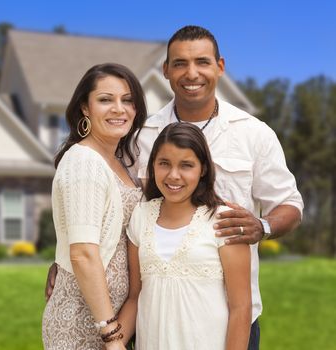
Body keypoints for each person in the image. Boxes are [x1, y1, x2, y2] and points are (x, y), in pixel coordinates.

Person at [46, 25, 304, 349]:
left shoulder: (254, 133)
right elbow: (105, 202)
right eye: (180, 63)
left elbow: (290, 204)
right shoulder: (140, 135)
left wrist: (261, 226)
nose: (191, 73)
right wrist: (68, 260)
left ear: (220, 67)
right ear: (166, 70)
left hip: (232, 319)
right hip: (153, 316)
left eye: (202, 62)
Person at [41, 63, 146, 350]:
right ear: (85, 108)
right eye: (105, 100)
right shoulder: (83, 161)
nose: (119, 109)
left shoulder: (121, 162)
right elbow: (84, 254)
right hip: (83, 320)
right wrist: (111, 336)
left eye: (127, 100)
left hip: (112, 320)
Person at [122, 122, 251, 349]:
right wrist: (112, 343)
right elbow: (135, 296)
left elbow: (241, 308)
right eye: (164, 164)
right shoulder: (141, 216)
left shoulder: (225, 221)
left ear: (202, 169)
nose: (174, 175)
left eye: (186, 165)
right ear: (153, 165)